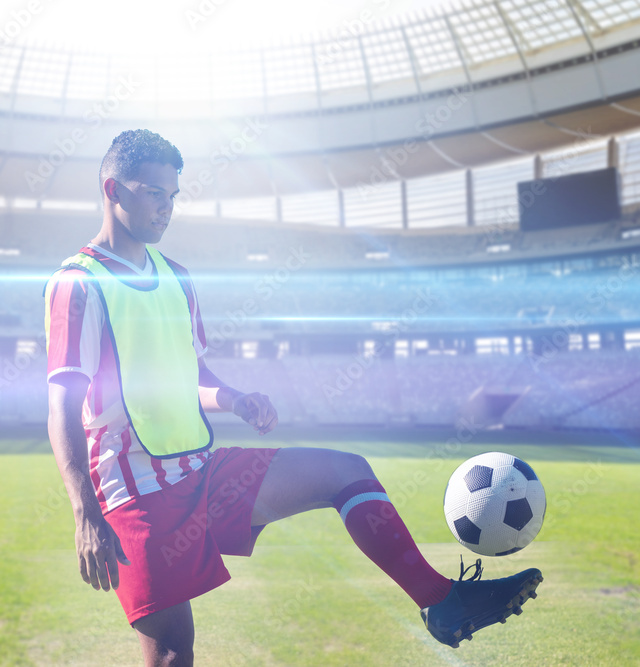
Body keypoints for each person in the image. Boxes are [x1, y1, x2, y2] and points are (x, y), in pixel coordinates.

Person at [43, 129, 541, 665]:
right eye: (153, 193)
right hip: (135, 495)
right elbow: (63, 408)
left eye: (173, 196)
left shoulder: (177, 279)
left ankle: (443, 602)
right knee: (171, 653)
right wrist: (84, 514)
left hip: (201, 471)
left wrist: (234, 399)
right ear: (112, 189)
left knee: (345, 471)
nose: (166, 208)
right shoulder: (78, 284)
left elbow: (191, 375)